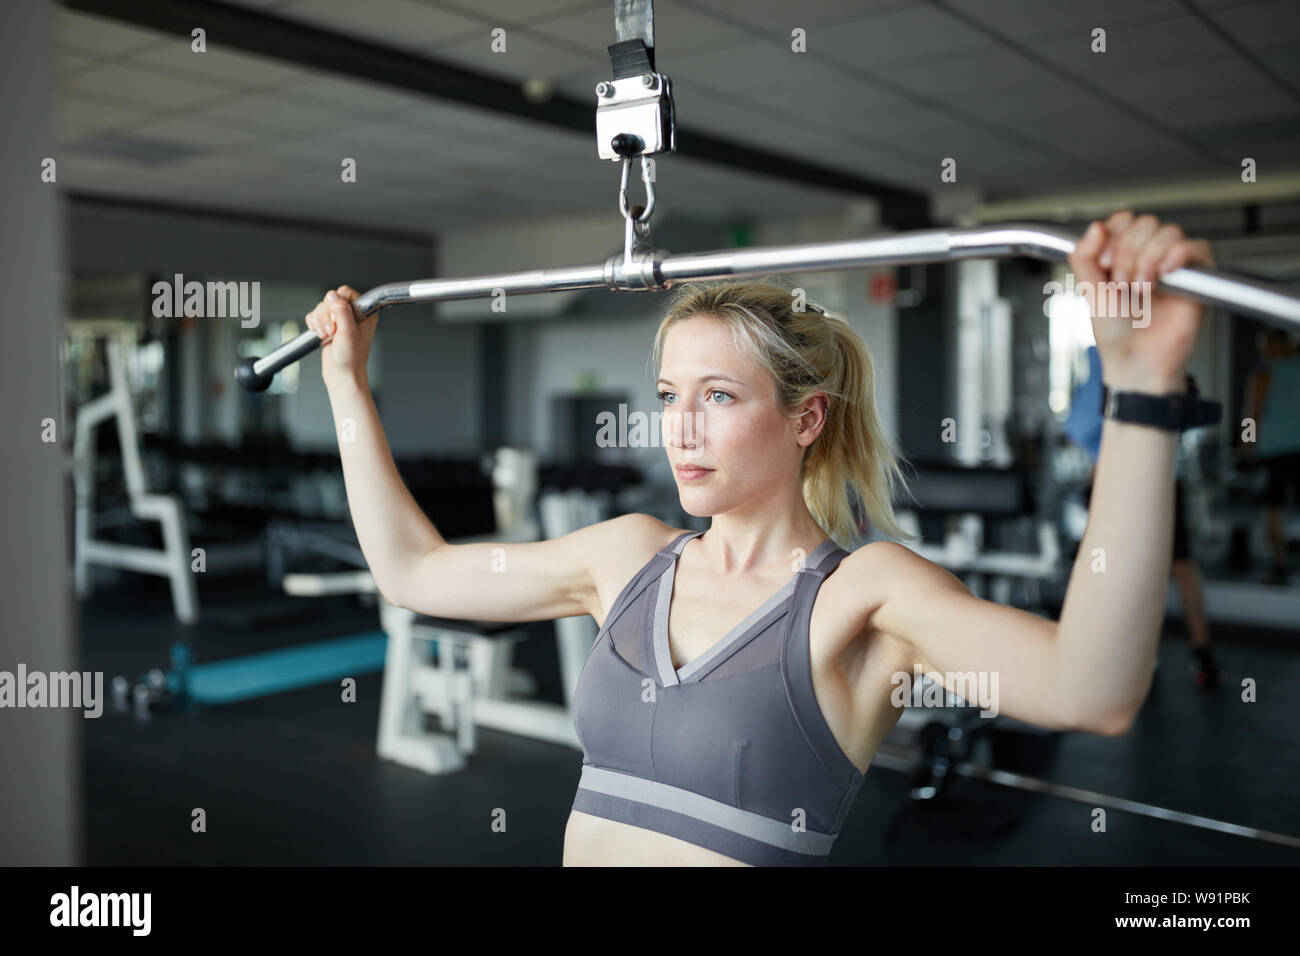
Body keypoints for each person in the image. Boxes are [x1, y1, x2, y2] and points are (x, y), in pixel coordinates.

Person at [305, 210, 1212, 866]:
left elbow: (1094, 691)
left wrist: (1140, 396)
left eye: (720, 395)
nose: (682, 428)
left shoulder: (864, 597)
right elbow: (413, 571)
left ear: (807, 416)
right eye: (669, 396)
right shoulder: (625, 556)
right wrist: (347, 383)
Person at [1065, 346, 1225, 688]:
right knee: (1137, 568)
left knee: (1165, 566)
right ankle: (1156, 657)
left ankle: (1172, 657)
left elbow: (1084, 427)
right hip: (1134, 476)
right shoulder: (1105, 353)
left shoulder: (1143, 350)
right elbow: (1086, 425)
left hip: (1146, 476)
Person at [1241, 328, 1300, 585]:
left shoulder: (1264, 374)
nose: (1263, 351)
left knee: (1272, 508)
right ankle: (1280, 565)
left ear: (1278, 343)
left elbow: (1250, 414)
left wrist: (1246, 445)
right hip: (1289, 449)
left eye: (1266, 345)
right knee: (1275, 509)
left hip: (1275, 450)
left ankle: (1280, 566)